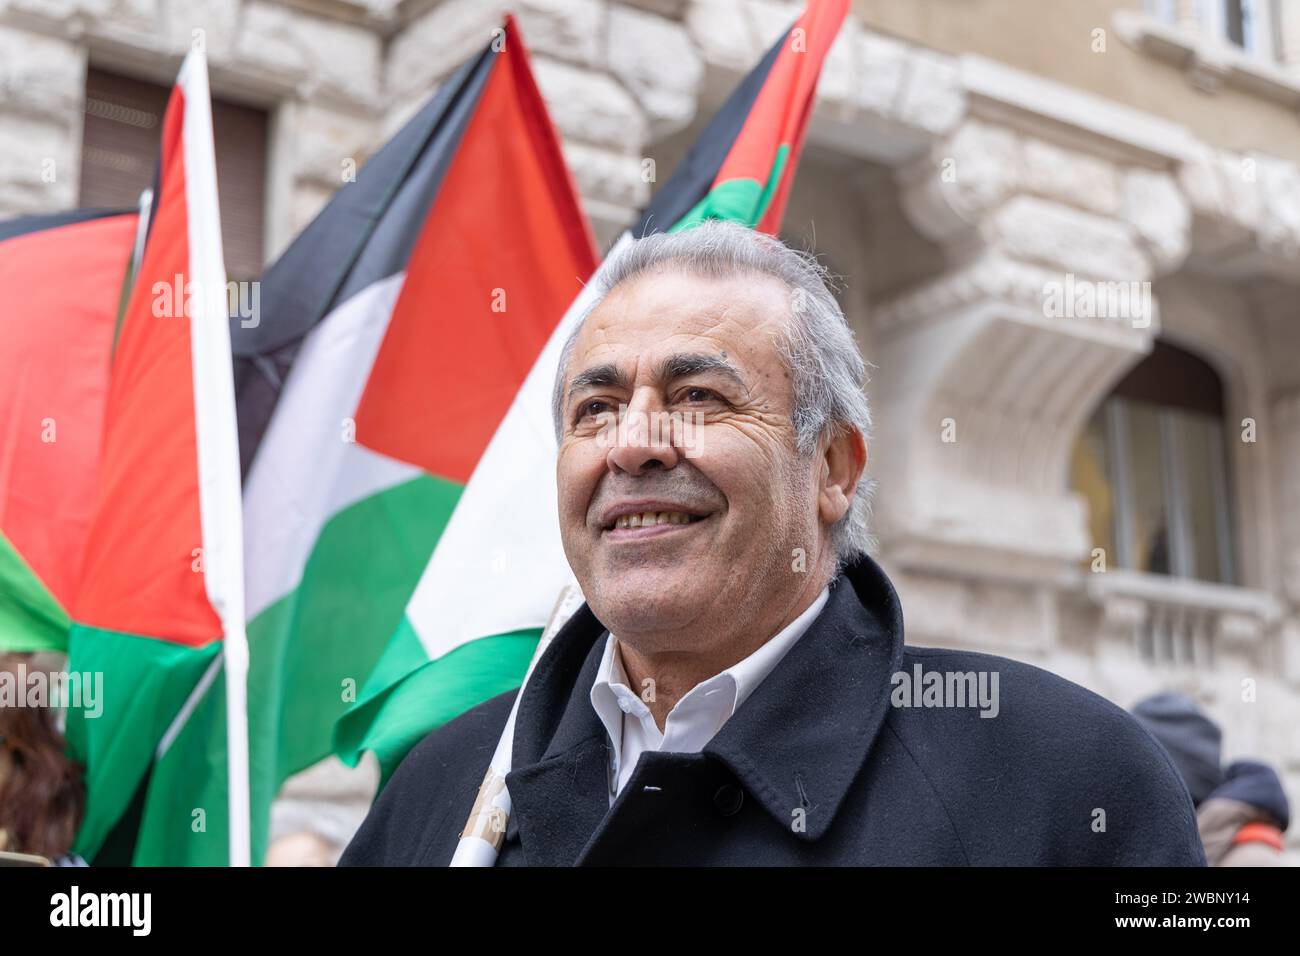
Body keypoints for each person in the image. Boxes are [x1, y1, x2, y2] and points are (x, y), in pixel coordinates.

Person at [341, 220, 1205, 866]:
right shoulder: (442, 788)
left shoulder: (1066, 777)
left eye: (700, 396)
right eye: (595, 409)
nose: (631, 443)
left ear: (833, 466)